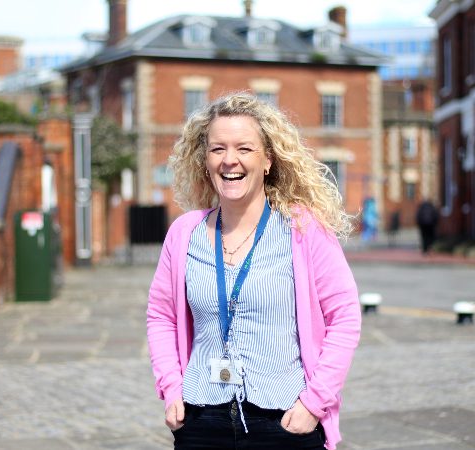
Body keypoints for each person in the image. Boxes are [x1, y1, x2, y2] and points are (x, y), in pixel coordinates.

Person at [147, 92, 361, 450]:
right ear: (204, 161)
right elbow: (160, 316)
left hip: (284, 421)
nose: (230, 160)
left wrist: (314, 403)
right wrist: (171, 388)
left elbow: (345, 317)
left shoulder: (304, 230)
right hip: (201, 421)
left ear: (267, 160)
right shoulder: (184, 233)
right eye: (218, 149)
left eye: (244, 149)